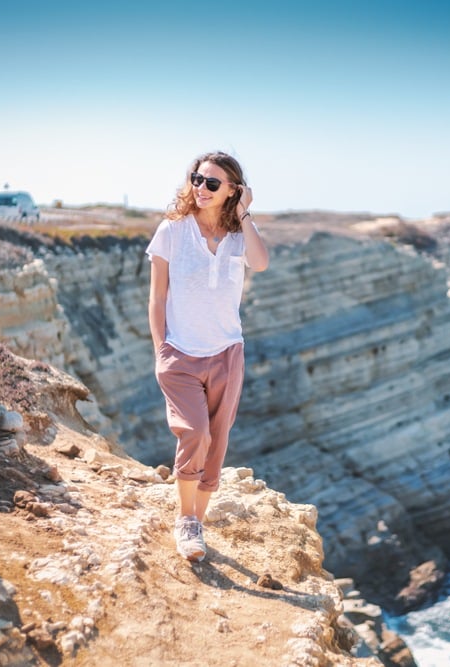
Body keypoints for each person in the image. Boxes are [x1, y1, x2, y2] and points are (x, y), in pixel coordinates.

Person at [145, 151, 269, 562]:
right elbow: (158, 295)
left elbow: (261, 263)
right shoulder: (172, 230)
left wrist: (246, 215)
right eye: (197, 179)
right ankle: (186, 520)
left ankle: (196, 521)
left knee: (215, 442)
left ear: (232, 190)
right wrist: (161, 348)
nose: (200, 188)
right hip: (180, 353)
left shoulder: (238, 235)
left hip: (227, 353)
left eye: (212, 183)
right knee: (194, 432)